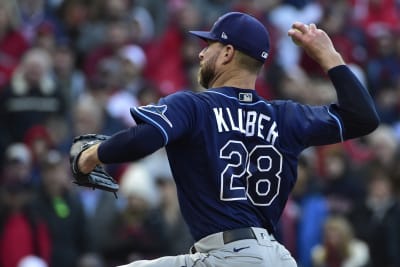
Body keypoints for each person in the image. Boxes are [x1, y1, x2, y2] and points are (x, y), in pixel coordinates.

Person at [75, 12, 379, 267]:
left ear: (228, 52)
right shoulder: (287, 116)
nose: (201, 52)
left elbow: (143, 139)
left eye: (209, 44)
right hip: (276, 257)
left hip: (228, 255)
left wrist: (90, 156)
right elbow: (363, 117)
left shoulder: (195, 107)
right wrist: (330, 57)